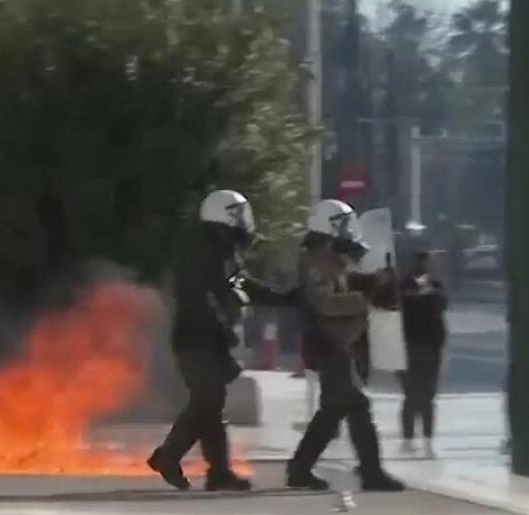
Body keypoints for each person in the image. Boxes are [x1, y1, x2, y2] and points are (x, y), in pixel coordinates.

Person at [149, 189, 285, 492]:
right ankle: (169, 456)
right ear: (228, 216)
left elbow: (241, 283)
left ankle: (218, 472)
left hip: (206, 337)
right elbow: (199, 298)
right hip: (196, 337)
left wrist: (284, 298)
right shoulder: (203, 251)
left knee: (211, 402)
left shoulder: (220, 251)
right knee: (208, 399)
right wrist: (221, 327)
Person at [287, 199, 404, 493]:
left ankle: (300, 468)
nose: (348, 230)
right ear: (330, 225)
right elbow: (325, 303)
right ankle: (371, 472)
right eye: (343, 224)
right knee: (357, 405)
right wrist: (367, 299)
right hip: (327, 343)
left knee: (334, 410)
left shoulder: (329, 257)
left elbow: (346, 281)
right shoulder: (315, 259)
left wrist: (373, 281)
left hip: (338, 342)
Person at [398, 251, 447, 456]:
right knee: (411, 395)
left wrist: (428, 292)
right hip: (408, 346)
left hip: (430, 345)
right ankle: (408, 438)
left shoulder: (435, 285)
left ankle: (427, 438)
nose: (425, 267)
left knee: (427, 395)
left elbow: (442, 304)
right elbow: (402, 306)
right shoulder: (402, 286)